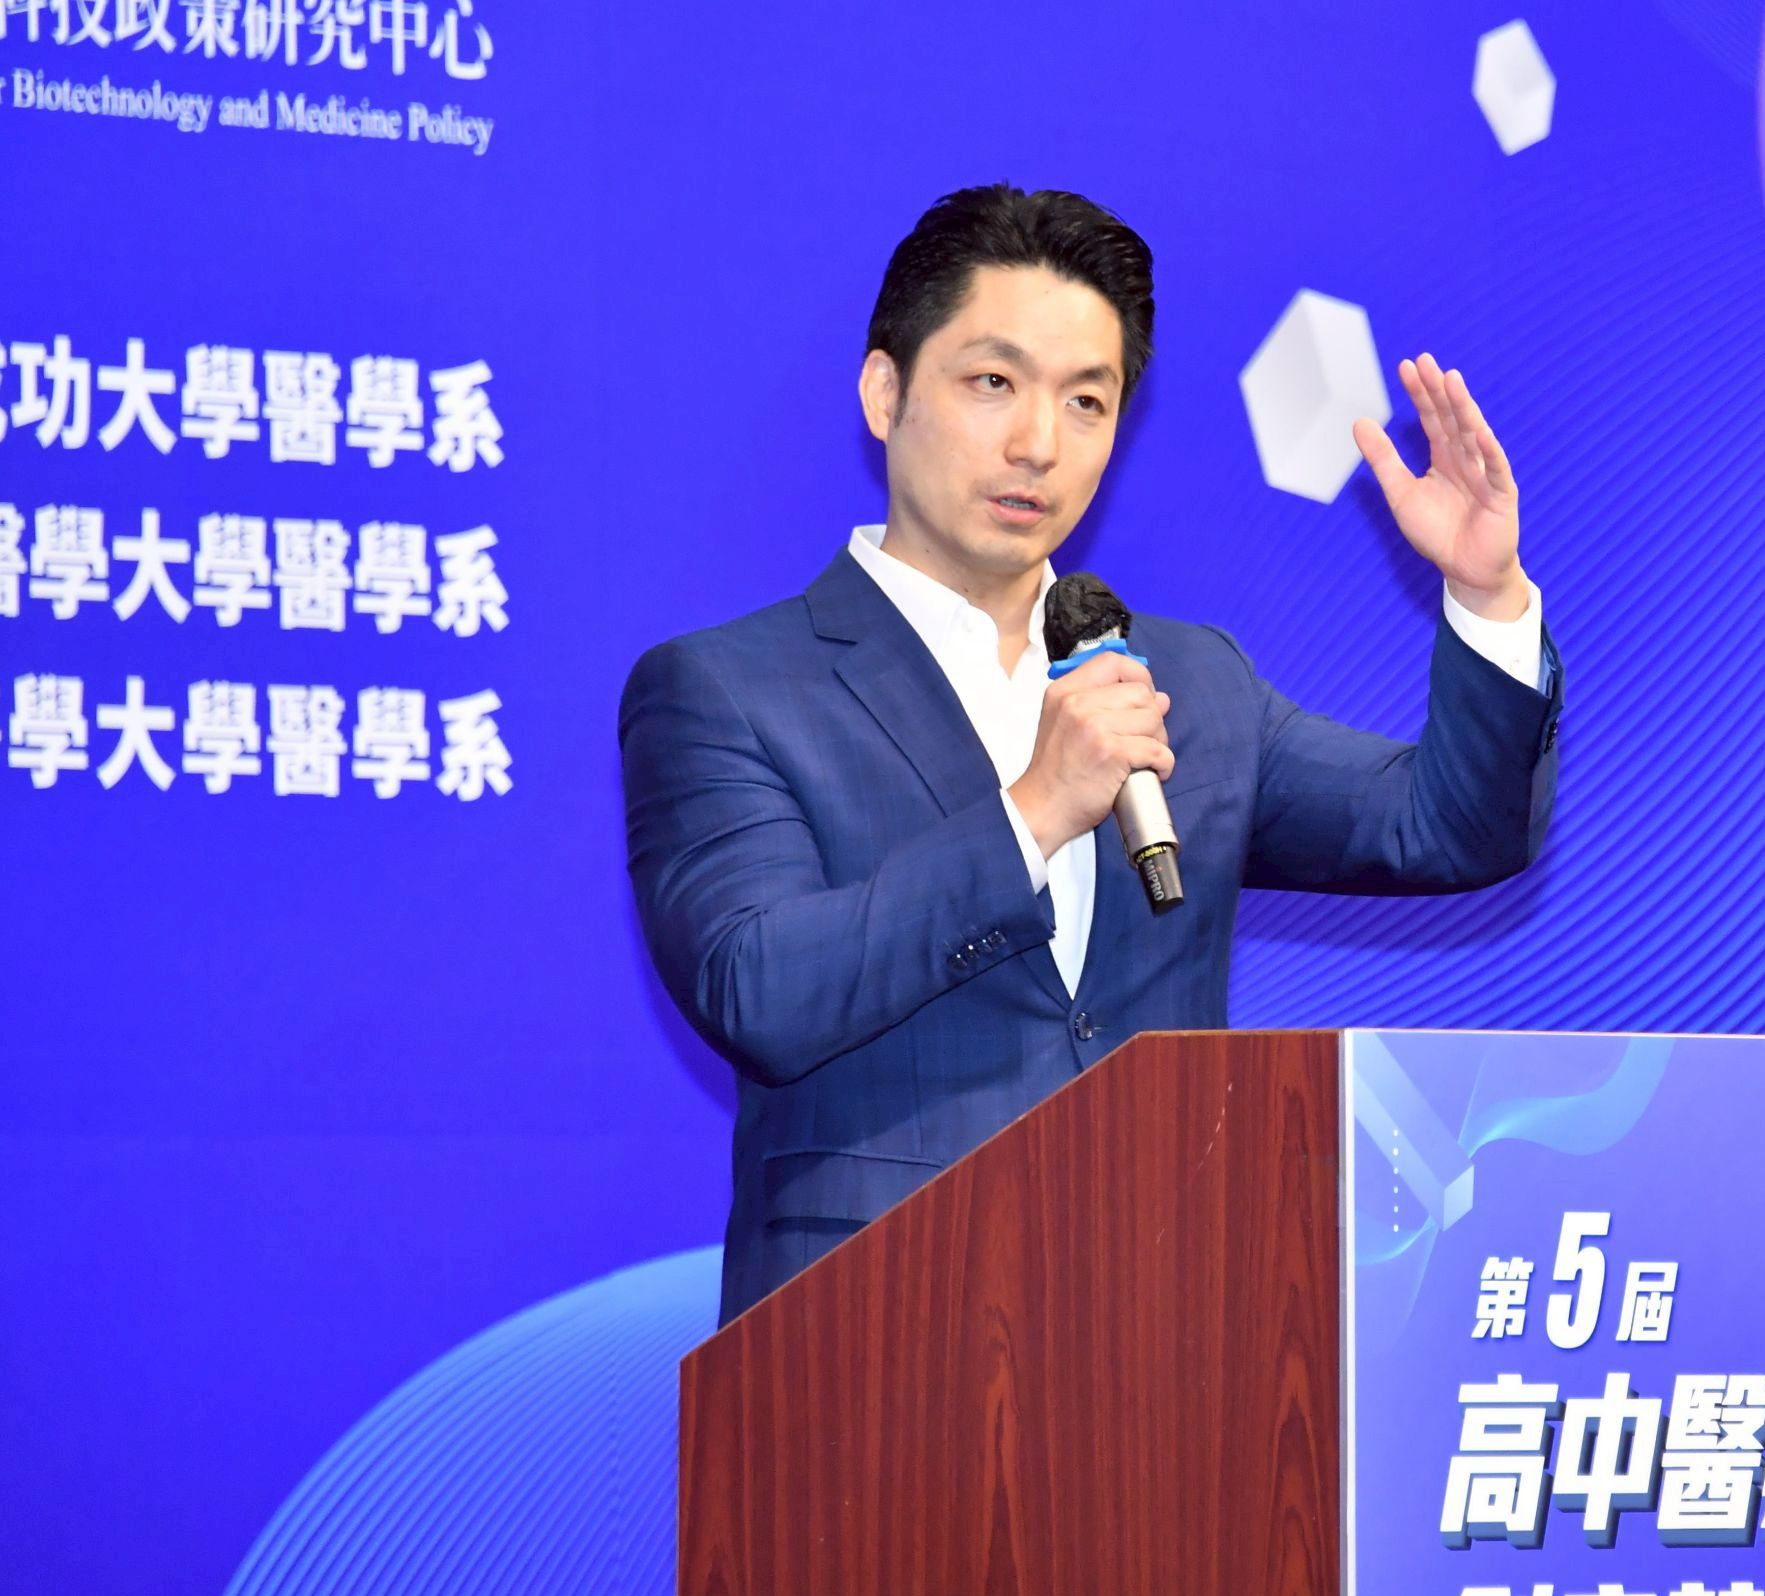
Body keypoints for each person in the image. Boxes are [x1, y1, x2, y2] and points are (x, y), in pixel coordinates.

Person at [621, 185, 1563, 1325]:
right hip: (872, 1335)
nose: (1038, 444)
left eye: (1086, 401)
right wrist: (1032, 812)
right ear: (884, 392)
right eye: (993, 383)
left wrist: (1486, 595)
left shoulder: (1188, 680)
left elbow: (1449, 829)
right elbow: (758, 988)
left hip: (1169, 1327)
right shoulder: (727, 687)